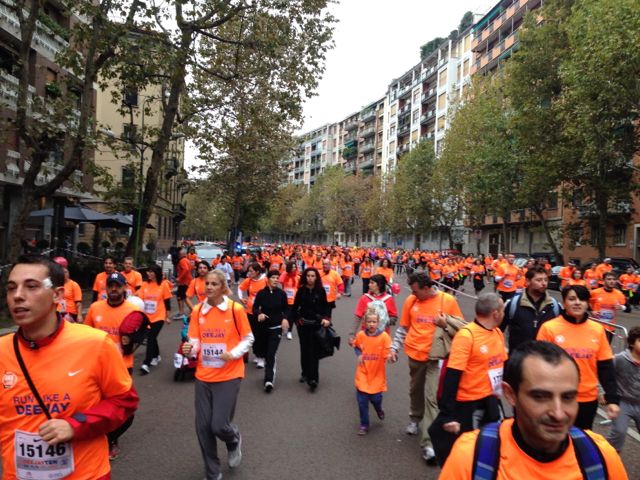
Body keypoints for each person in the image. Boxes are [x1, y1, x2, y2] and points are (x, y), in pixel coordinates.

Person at [1, 255, 138, 479]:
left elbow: (124, 402)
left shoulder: (95, 343)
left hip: (86, 474)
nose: (17, 296)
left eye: (31, 286)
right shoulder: (2, 351)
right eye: (11, 288)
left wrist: (75, 425)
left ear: (57, 295)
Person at [439, 341, 628, 479]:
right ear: (510, 394)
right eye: (540, 397)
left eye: (568, 397)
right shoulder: (471, 457)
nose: (559, 413)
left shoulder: (601, 458)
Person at [182, 269, 253, 480]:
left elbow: (248, 339)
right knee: (203, 428)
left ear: (223, 287)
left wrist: (233, 354)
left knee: (219, 425)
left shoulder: (235, 309)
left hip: (229, 374)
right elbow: (195, 340)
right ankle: (213, 473)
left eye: (214, 284)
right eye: (207, 284)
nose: (209, 287)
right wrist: (190, 349)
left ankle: (233, 439)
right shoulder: (197, 311)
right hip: (204, 375)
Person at [389, 271, 464, 465]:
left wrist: (444, 323)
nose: (413, 294)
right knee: (415, 390)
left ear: (426, 288)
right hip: (415, 355)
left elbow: (461, 328)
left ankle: (429, 443)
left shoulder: (447, 300)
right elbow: (403, 328)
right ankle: (415, 418)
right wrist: (394, 348)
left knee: (432, 398)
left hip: (436, 357)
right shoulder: (411, 301)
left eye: (415, 290)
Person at [428, 293, 507, 466]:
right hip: (468, 405)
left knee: (495, 446)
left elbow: (502, 365)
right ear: (495, 313)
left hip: (491, 400)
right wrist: (448, 415)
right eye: (503, 310)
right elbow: (452, 376)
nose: (504, 313)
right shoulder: (467, 336)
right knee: (468, 451)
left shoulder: (498, 333)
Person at [537, 285, 620, 429]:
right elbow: (539, 367)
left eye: (582, 299)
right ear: (564, 302)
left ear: (588, 303)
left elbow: (606, 367)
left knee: (582, 440)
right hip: (557, 398)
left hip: (587, 399)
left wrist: (612, 399)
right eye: (572, 299)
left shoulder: (597, 330)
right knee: (555, 442)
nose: (577, 302)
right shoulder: (549, 328)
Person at [84, 271, 145, 459]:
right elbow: (86, 335)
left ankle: (112, 437)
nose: (113, 289)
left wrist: (131, 343)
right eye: (110, 285)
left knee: (125, 410)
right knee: (95, 405)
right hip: (96, 366)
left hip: (122, 367)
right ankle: (100, 438)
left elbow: (142, 335)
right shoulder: (95, 308)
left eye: (117, 286)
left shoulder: (133, 311)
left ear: (124, 288)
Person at [288, 267, 331, 392]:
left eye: (313, 276)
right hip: (303, 325)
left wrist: (326, 319)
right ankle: (305, 373)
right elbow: (295, 308)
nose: (310, 278)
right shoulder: (301, 290)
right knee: (305, 350)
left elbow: (326, 307)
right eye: (308, 276)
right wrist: (296, 321)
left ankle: (313, 379)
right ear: (305, 277)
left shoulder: (321, 291)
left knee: (314, 351)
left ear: (316, 277)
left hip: (316, 325)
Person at [501, 265, 560, 353]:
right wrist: (502, 349)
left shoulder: (554, 306)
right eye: (539, 280)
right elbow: (497, 330)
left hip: (546, 361)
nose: (544, 283)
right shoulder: (513, 304)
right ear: (528, 281)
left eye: (546, 280)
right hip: (519, 361)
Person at [353, 306, 391, 435]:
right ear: (365, 322)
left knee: (376, 399)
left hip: (377, 374)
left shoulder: (384, 337)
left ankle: (379, 409)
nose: (371, 324)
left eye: (374, 322)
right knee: (362, 401)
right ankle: (364, 424)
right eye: (369, 322)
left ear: (378, 322)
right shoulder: (361, 335)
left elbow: (388, 352)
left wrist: (391, 356)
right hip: (363, 373)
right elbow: (357, 346)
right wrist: (359, 354)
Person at [252, 270, 290, 392]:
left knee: (271, 354)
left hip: (276, 328)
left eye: (277, 277)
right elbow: (254, 308)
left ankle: (269, 380)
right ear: (267, 279)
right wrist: (259, 313)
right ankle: (266, 370)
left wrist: (285, 319)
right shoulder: (261, 293)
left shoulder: (282, 294)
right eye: (273, 277)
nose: (275, 279)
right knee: (263, 351)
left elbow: (287, 309)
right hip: (263, 328)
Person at [607, 325, 640, 453]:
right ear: (631, 343)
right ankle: (609, 457)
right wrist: (604, 393)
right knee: (619, 433)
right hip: (623, 403)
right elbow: (606, 375)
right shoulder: (620, 359)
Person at [138, 263, 173, 375]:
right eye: (148, 271)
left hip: (159, 316)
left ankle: (146, 364)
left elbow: (167, 302)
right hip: (147, 317)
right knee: (152, 337)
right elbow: (140, 301)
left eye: (151, 271)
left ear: (156, 273)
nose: (149, 273)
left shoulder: (163, 285)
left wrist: (167, 316)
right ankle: (156, 355)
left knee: (151, 337)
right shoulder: (144, 285)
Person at [348, 274, 398, 345]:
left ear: (379, 285)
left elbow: (394, 317)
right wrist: (352, 335)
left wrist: (384, 321)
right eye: (369, 283)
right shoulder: (364, 298)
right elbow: (358, 317)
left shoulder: (389, 299)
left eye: (372, 283)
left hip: (383, 336)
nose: (369, 285)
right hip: (366, 335)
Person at [238, 262, 267, 368]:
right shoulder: (249, 281)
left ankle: (262, 357)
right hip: (250, 312)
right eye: (248, 271)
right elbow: (240, 288)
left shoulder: (265, 281)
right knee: (252, 336)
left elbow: (271, 292)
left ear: (257, 271)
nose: (249, 273)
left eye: (251, 271)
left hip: (261, 313)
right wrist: (241, 298)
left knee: (261, 335)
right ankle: (257, 354)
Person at [589, 271, 626, 339]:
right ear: (603, 281)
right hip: (595, 326)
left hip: (609, 328)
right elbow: (585, 302)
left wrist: (621, 307)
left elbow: (628, 308)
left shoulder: (619, 294)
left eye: (614, 279)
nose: (612, 281)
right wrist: (591, 311)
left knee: (606, 348)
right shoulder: (595, 292)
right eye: (609, 279)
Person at [53, 256, 83, 323]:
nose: (63, 274)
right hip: (57, 313)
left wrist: (79, 315)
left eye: (65, 272)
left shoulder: (74, 284)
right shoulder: (54, 284)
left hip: (70, 314)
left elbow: (78, 303)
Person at [279, 261, 299, 340]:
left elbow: (299, 287)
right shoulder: (284, 275)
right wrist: (285, 273)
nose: (294, 268)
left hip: (293, 300)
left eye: (295, 267)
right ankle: (281, 329)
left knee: (291, 317)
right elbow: (280, 281)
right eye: (292, 267)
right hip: (284, 299)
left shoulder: (297, 277)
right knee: (283, 315)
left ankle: (289, 331)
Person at [175, 248, 194, 320]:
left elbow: (185, 269)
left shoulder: (182, 261)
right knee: (183, 297)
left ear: (182, 254)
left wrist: (179, 278)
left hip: (184, 282)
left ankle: (182, 312)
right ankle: (184, 311)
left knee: (180, 297)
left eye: (179, 254)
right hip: (187, 281)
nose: (178, 255)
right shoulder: (187, 260)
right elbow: (190, 268)